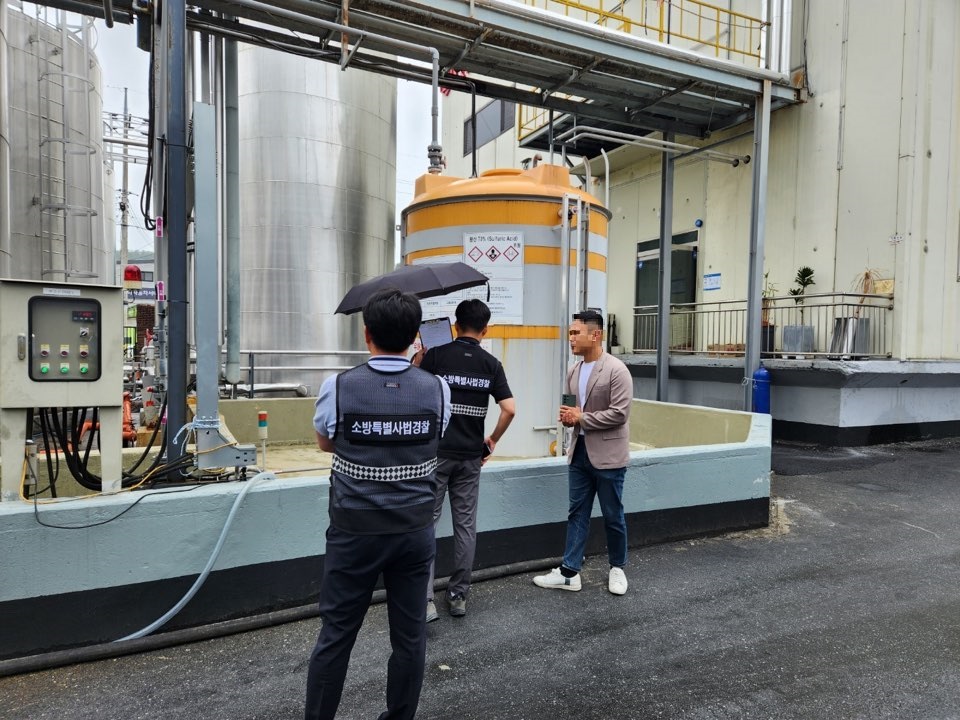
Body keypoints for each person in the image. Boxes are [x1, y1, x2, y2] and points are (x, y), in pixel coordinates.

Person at [305, 288, 451, 720]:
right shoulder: (437, 389)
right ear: (414, 336)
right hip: (414, 530)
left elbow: (325, 443)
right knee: (410, 637)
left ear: (366, 333)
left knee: (336, 635)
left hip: (354, 530)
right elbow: (433, 439)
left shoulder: (338, 386)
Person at [415, 299, 515, 621]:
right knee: (466, 526)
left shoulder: (436, 356)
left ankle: (425, 600)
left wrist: (418, 361)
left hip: (436, 455)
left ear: (455, 326)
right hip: (471, 457)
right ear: (485, 330)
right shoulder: (491, 364)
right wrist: (492, 440)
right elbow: (509, 409)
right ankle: (458, 595)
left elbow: (414, 391)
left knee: (427, 524)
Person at [533, 309, 633, 596]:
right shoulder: (573, 371)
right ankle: (570, 572)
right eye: (570, 333)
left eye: (576, 333)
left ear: (596, 334)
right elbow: (571, 408)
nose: (571, 338)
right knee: (577, 513)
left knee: (613, 514)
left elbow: (620, 413)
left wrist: (581, 417)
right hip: (579, 453)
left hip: (609, 455)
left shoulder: (616, 370)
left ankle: (617, 568)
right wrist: (567, 417)